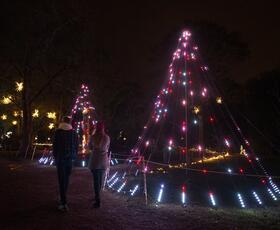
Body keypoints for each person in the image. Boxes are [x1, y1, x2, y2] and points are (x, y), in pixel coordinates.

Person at [53, 116, 78, 211]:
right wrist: (74, 157)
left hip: (60, 159)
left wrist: (56, 156)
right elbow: (76, 146)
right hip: (70, 159)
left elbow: (54, 146)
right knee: (66, 178)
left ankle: (63, 202)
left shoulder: (58, 132)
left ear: (63, 121)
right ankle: (63, 197)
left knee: (61, 180)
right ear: (70, 122)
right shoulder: (74, 132)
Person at [88, 121, 110, 208]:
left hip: (95, 160)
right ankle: (98, 196)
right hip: (103, 160)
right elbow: (107, 147)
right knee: (100, 179)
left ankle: (97, 199)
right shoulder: (107, 137)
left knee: (95, 180)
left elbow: (89, 147)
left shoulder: (93, 137)